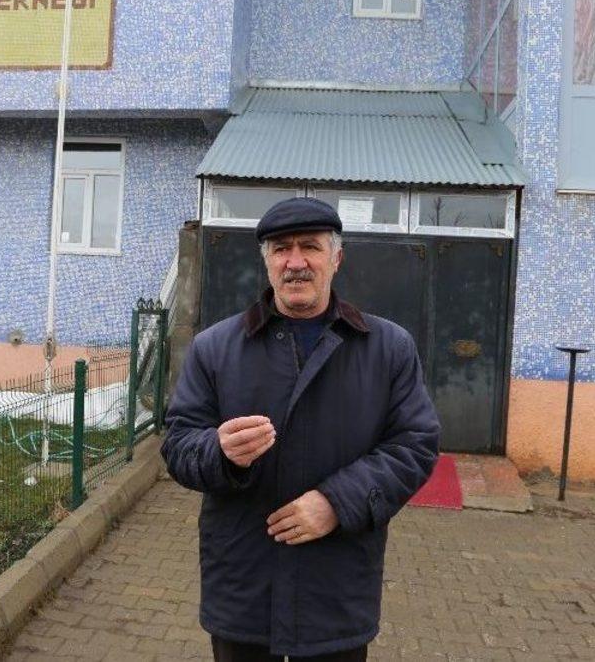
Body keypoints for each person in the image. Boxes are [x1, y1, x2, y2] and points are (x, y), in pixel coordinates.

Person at [161, 197, 441, 661]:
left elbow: (415, 444)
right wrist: (219, 452)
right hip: (244, 587)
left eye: (310, 246)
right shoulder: (214, 348)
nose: (295, 262)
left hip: (336, 588)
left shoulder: (387, 347)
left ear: (337, 258)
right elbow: (178, 444)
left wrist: (337, 502)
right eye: (281, 249)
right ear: (267, 262)